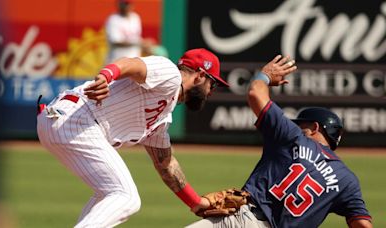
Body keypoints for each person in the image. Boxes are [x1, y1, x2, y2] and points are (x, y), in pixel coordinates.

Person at [36, 48, 227, 227]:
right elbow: (131, 64)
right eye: (213, 83)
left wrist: (196, 202)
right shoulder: (170, 74)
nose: (212, 91)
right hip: (77, 118)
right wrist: (106, 75)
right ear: (201, 76)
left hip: (67, 121)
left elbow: (166, 165)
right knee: (126, 196)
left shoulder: (162, 116)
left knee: (108, 195)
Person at [187, 55, 372, 228]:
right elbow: (362, 224)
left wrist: (265, 75)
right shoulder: (347, 180)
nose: (298, 127)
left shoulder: (293, 137)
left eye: (302, 125)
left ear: (316, 128)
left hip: (247, 221)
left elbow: (255, 94)